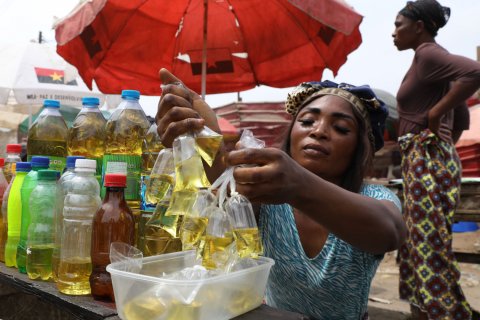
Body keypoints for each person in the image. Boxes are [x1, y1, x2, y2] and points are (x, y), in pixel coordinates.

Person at [156, 69, 406, 320]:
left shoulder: (373, 196)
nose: (318, 131)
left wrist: (299, 186)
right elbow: (224, 186)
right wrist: (202, 136)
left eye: (340, 127)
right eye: (307, 121)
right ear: (291, 134)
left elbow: (389, 232)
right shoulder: (269, 196)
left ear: (359, 148)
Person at [392, 1, 480, 319]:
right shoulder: (429, 63)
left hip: (426, 157)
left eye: (398, 24)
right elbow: (460, 119)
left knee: (426, 243)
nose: (393, 31)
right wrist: (444, 142)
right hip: (428, 156)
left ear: (419, 26)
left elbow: (475, 71)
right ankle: (426, 310)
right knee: (422, 241)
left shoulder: (428, 54)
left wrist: (433, 117)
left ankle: (439, 313)